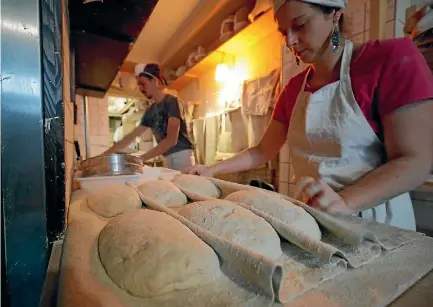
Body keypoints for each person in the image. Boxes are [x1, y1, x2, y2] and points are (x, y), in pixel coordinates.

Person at [188, 0, 433, 230]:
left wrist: (345, 201)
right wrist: (212, 169)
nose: (291, 42)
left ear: (335, 14)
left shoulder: (389, 59)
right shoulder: (293, 89)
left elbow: (415, 160)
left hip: (376, 222)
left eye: (300, 25)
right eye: (284, 33)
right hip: (313, 217)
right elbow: (262, 151)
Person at [104, 63, 195, 172]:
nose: (140, 88)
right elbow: (131, 136)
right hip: (167, 157)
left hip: (182, 156)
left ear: (154, 81)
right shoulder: (150, 111)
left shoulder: (172, 102)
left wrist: (141, 159)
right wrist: (105, 156)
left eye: (143, 83)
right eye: (139, 85)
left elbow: (172, 140)